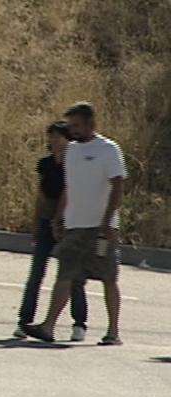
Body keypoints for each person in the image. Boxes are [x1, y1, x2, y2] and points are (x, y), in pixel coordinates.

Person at [23, 102, 127, 345]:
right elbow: (69, 188)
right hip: (74, 226)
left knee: (109, 277)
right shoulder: (71, 151)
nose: (73, 130)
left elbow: (118, 186)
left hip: (102, 229)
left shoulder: (108, 150)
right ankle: (48, 327)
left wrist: (107, 221)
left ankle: (113, 332)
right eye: (70, 126)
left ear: (91, 124)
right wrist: (59, 217)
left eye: (77, 125)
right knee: (66, 274)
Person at [14, 122, 88, 341]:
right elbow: (41, 196)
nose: (54, 141)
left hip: (70, 224)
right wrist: (36, 223)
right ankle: (24, 321)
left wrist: (64, 220)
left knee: (72, 276)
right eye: (51, 137)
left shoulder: (77, 164)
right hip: (47, 222)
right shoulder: (46, 164)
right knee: (36, 274)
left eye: (59, 137)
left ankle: (79, 323)